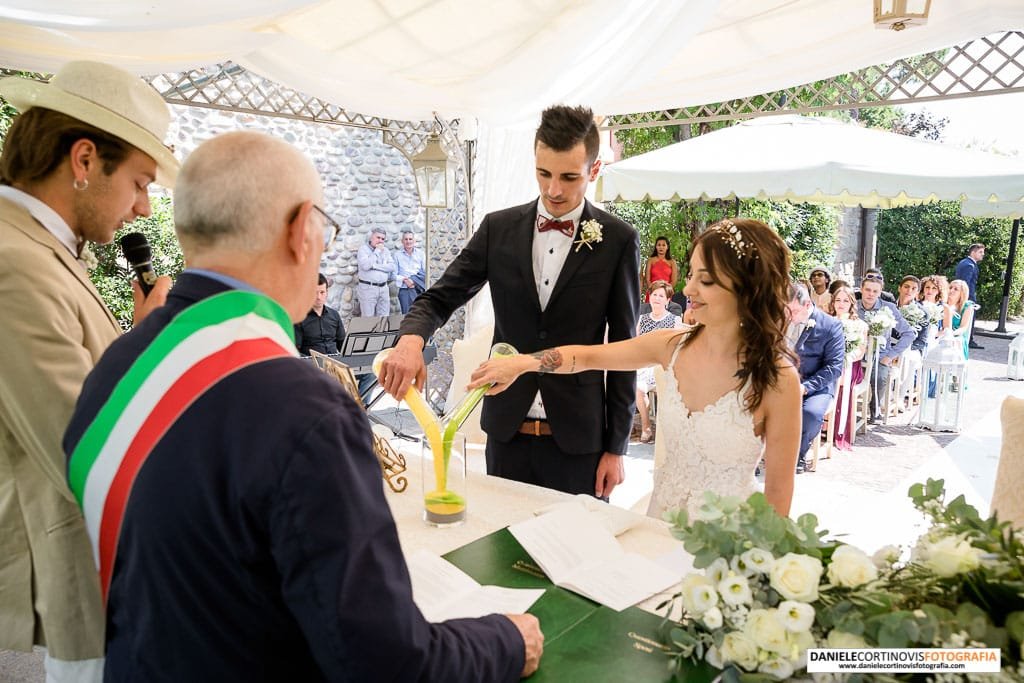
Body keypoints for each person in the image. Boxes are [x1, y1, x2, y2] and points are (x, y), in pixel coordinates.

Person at [62, 131, 542, 682]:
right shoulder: (302, 410)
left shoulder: (115, 367)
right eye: (324, 227)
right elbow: (388, 664)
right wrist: (506, 641)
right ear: (298, 232)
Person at [0, 61, 176, 682]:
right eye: (139, 182)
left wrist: (139, 336)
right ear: (83, 160)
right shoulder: (14, 262)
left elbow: (89, 380)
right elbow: (88, 447)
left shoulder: (42, 249)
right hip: (76, 570)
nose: (142, 209)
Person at [379, 105, 640, 500]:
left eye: (569, 177)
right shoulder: (497, 229)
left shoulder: (618, 240)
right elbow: (439, 297)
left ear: (594, 169)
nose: (553, 190)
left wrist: (616, 447)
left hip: (579, 444)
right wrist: (410, 341)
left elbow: (624, 350)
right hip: (506, 435)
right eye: (544, 173)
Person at [468, 218, 802, 519]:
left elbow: (777, 501)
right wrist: (523, 364)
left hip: (730, 549)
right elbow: (587, 357)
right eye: (690, 276)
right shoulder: (672, 346)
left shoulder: (779, 381)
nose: (688, 290)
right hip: (662, 524)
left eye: (707, 281)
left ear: (748, 288)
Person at [786, 283, 845, 474]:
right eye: (786, 310)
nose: (790, 317)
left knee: (810, 413)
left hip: (815, 385)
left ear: (807, 305)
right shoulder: (779, 318)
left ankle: (797, 455)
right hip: (780, 380)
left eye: (794, 311)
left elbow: (834, 367)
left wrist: (806, 387)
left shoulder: (830, 326)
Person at [635, 280, 684, 443]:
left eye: (661, 296)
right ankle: (646, 426)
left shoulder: (674, 320)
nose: (656, 298)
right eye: (654, 294)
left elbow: (677, 349)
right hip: (644, 365)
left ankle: (667, 432)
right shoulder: (641, 319)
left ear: (667, 300)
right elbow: (634, 343)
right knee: (638, 389)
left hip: (664, 366)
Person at [859, 274, 913, 421]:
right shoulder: (854, 306)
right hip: (857, 354)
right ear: (861, 289)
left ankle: (874, 408)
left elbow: (909, 333)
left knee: (879, 376)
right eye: (868, 290)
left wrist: (890, 355)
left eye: (875, 291)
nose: (871, 294)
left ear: (880, 292)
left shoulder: (888, 308)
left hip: (880, 355)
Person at [828, 286, 868, 451]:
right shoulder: (826, 320)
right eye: (838, 300)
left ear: (852, 303)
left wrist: (846, 357)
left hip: (850, 365)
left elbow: (860, 352)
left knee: (839, 378)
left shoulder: (860, 325)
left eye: (845, 300)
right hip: (829, 364)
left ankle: (836, 429)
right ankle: (821, 425)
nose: (841, 304)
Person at [894, 275, 929, 405]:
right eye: (906, 287)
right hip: (889, 346)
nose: (909, 291)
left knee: (908, 358)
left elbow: (922, 341)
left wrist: (902, 349)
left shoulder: (922, 312)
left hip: (912, 348)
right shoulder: (890, 306)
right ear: (900, 288)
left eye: (914, 288)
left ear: (917, 293)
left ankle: (899, 396)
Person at [294, 272, 346, 355]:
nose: (318, 297)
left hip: (334, 363)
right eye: (315, 293)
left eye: (322, 292)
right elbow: (295, 350)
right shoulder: (300, 317)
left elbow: (343, 345)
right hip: (311, 364)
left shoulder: (335, 315)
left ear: (327, 293)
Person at [356, 227, 395, 316]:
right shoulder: (363, 250)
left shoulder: (386, 251)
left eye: (383, 239)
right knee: (368, 319)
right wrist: (377, 251)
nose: (380, 241)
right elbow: (366, 266)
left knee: (384, 318)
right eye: (378, 237)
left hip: (384, 288)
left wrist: (375, 266)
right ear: (371, 238)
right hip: (368, 288)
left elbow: (392, 267)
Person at [954, 243, 985, 350]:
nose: (982, 255)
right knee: (968, 318)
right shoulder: (969, 265)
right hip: (968, 296)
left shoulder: (964, 262)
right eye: (980, 252)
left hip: (965, 295)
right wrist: (967, 297)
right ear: (973, 252)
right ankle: (969, 340)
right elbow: (965, 283)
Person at [394, 229, 426, 314]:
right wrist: (405, 280)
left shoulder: (421, 254)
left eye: (410, 239)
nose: (408, 241)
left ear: (414, 241)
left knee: (420, 315)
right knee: (406, 316)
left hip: (418, 289)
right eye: (406, 239)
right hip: (405, 289)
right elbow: (393, 274)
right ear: (402, 241)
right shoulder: (397, 255)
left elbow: (425, 272)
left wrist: (413, 281)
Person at [919, 274, 953, 349]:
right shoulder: (917, 305)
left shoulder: (944, 308)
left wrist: (933, 334)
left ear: (939, 291)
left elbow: (947, 330)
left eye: (934, 288)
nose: (930, 290)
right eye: (927, 287)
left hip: (935, 342)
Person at [947, 278, 977, 360]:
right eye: (950, 287)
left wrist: (950, 334)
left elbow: (963, 327)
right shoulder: (942, 303)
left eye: (956, 289)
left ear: (962, 293)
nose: (951, 290)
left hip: (956, 335)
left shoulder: (967, 306)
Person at [642, 236, 678, 300]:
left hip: (666, 293)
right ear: (656, 247)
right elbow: (647, 279)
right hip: (652, 292)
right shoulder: (650, 260)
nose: (661, 247)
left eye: (663, 245)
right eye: (659, 245)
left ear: (667, 247)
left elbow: (674, 281)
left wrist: (666, 291)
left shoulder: (672, 262)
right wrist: (653, 291)